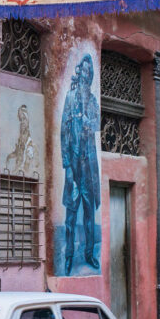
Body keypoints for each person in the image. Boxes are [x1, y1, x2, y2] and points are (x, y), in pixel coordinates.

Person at [60, 54, 100, 274]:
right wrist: (66, 165)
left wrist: (89, 122)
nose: (85, 75)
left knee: (89, 213)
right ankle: (68, 257)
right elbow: (64, 132)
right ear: (79, 72)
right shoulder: (70, 97)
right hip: (74, 165)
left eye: (89, 72)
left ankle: (89, 254)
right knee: (70, 214)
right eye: (83, 71)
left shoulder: (93, 101)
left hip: (89, 168)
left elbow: (97, 124)